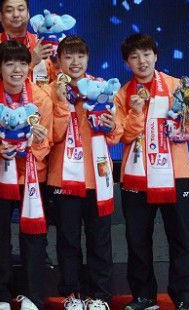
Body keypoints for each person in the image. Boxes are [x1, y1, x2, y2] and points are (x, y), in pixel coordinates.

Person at [114, 34, 189, 310]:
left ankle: (184, 297)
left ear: (155, 56)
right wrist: (136, 113)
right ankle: (144, 296)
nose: (142, 61)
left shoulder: (177, 86)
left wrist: (182, 130)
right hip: (136, 178)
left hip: (175, 175)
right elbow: (119, 135)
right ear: (126, 62)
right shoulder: (122, 94)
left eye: (146, 54)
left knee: (181, 236)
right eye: (134, 56)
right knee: (137, 238)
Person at [0, 40, 53, 310]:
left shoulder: (41, 98)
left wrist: (37, 142)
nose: (17, 69)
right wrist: (1, 148)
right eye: (10, 63)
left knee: (33, 236)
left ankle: (33, 296)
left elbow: (48, 142)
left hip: (32, 177)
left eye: (22, 63)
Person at [47, 36, 121, 310]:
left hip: (98, 177)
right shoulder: (50, 91)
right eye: (68, 57)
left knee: (100, 239)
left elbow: (116, 135)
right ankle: (72, 294)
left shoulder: (102, 89)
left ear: (87, 59)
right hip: (62, 178)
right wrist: (62, 107)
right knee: (67, 239)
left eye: (80, 56)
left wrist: (112, 125)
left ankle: (100, 295)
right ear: (59, 61)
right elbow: (50, 136)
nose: (75, 62)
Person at [0, 0, 56, 85]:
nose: (16, 15)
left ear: (28, 13)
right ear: (0, 16)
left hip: (42, 99)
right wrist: (31, 62)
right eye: (9, 10)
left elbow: (60, 80)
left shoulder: (42, 43)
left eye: (21, 9)